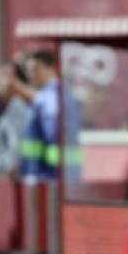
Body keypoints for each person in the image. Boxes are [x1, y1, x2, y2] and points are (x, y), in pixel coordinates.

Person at [20, 49, 82, 183]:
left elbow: (51, 131)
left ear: (49, 68)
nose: (31, 75)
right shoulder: (63, 93)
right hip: (59, 173)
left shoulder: (50, 97)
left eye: (35, 69)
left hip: (49, 174)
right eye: (28, 71)